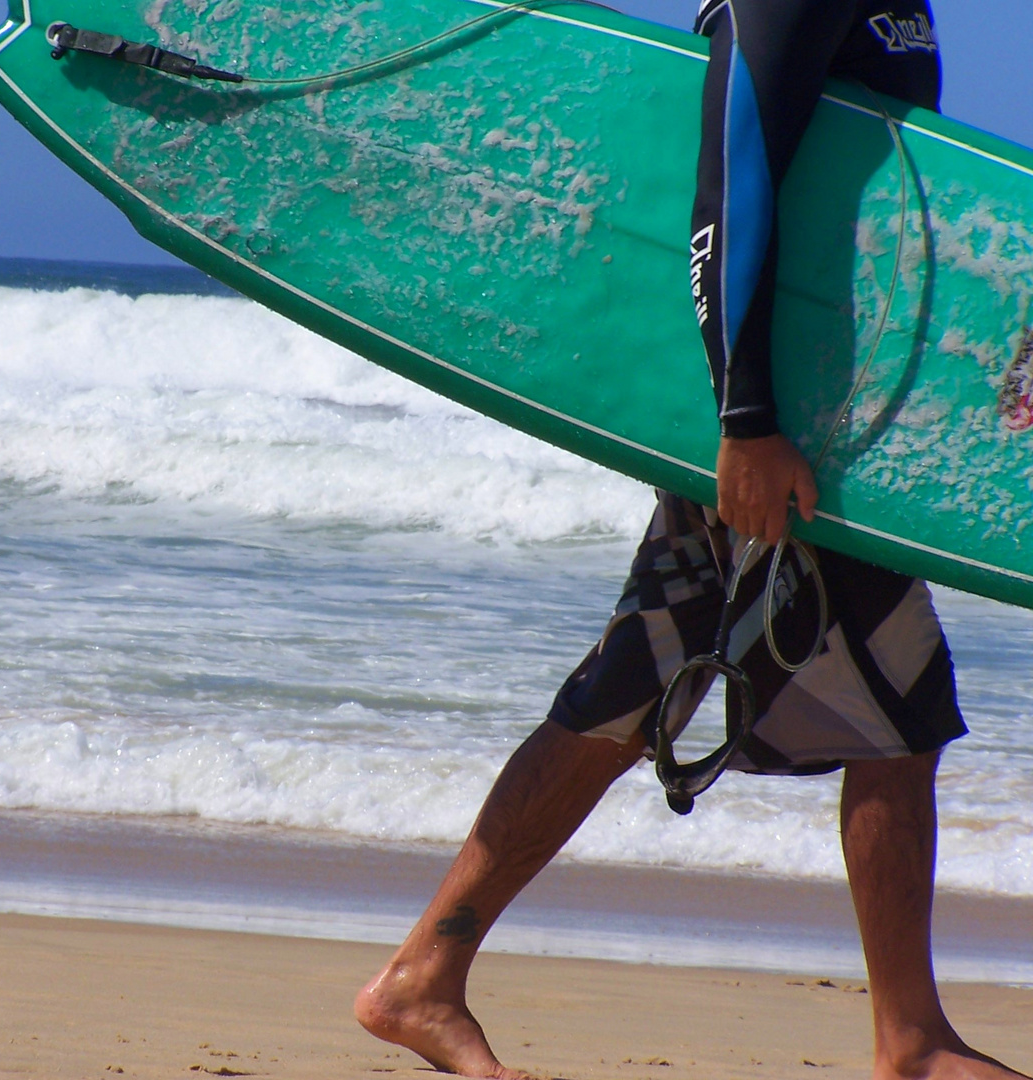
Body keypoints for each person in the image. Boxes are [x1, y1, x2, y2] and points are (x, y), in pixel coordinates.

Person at [355, 3, 1030, 1078]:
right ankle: (910, 1043)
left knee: (638, 684)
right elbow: (733, 182)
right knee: (899, 715)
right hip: (791, 435)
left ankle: (423, 976)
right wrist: (747, 420)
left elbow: (896, 217)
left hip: (825, 415)